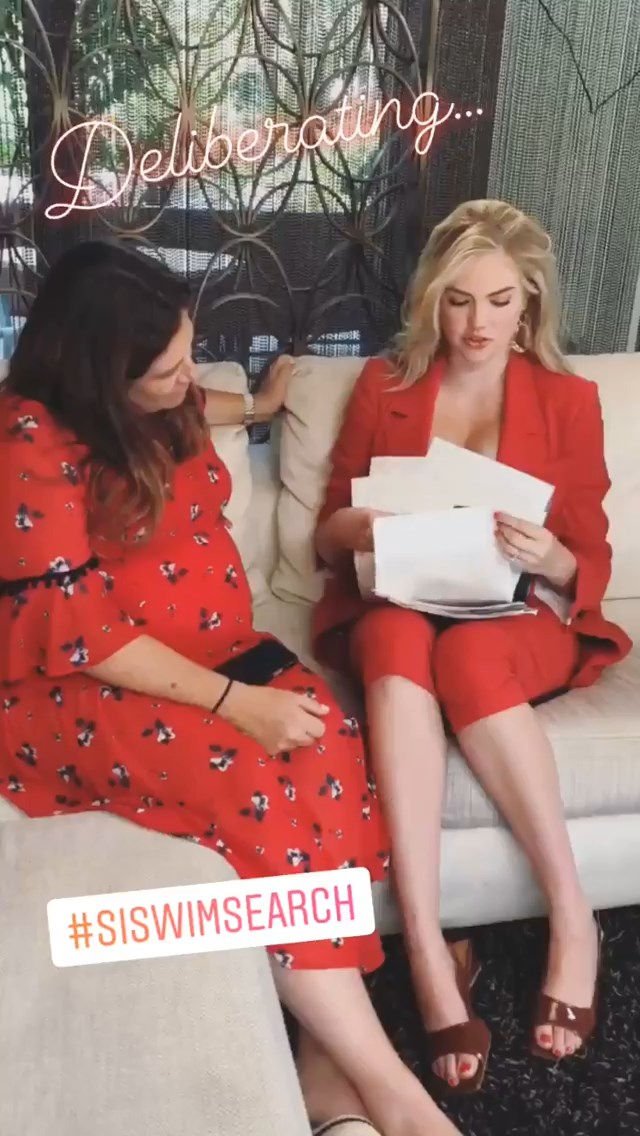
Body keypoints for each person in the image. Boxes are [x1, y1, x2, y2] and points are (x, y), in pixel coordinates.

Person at [0, 240, 463, 1136]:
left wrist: (257, 404)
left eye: (190, 353)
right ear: (100, 378)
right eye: (169, 369)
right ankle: (395, 1094)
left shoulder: (157, 402)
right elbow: (80, 632)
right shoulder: (27, 440)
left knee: (331, 744)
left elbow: (201, 399)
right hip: (85, 684)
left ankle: (324, 1063)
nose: (190, 378)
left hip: (217, 654)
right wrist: (238, 707)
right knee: (256, 788)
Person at [313, 199, 633, 1093]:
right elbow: (328, 534)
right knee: (389, 632)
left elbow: (589, 554)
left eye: (498, 301)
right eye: (457, 301)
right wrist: (364, 524)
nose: (478, 324)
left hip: (518, 613)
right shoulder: (385, 387)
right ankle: (423, 943)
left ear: (529, 303)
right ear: (432, 301)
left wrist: (552, 555)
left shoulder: (568, 400)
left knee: (468, 656)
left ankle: (572, 916)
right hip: (406, 596)